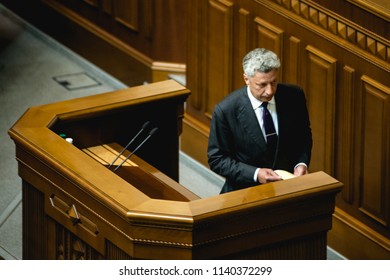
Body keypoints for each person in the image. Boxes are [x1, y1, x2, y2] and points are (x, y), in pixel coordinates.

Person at [207, 48, 312, 194]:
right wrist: (256, 174)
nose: (269, 91)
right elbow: (217, 160)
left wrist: (301, 163)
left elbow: (303, 136)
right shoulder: (226, 110)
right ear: (246, 79)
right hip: (245, 192)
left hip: (288, 191)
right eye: (262, 85)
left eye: (274, 82)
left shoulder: (294, 95)